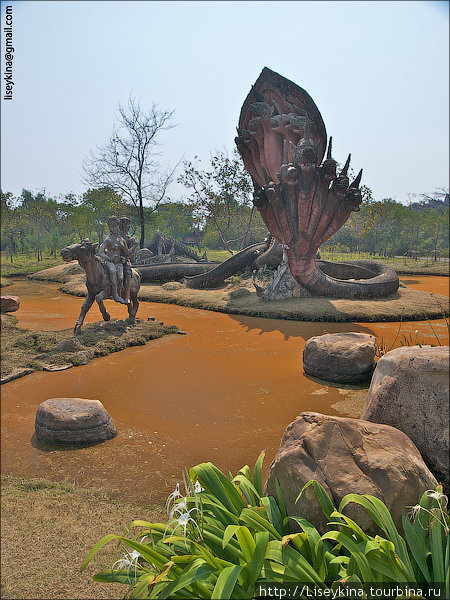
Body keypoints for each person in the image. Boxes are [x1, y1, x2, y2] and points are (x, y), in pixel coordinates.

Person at [97, 215, 129, 304]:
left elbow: (127, 253)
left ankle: (119, 294)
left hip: (119, 262)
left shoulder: (122, 240)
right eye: (113, 226)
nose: (115, 228)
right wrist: (109, 258)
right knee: (112, 271)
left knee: (121, 277)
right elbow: (100, 252)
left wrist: (124, 257)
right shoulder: (108, 240)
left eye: (116, 226)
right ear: (110, 228)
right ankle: (114, 294)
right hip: (110, 262)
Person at [119, 217, 138, 304]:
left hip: (125, 261)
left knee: (127, 274)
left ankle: (127, 296)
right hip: (114, 260)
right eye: (126, 224)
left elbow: (130, 253)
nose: (128, 226)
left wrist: (125, 259)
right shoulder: (115, 237)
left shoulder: (130, 239)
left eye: (129, 224)